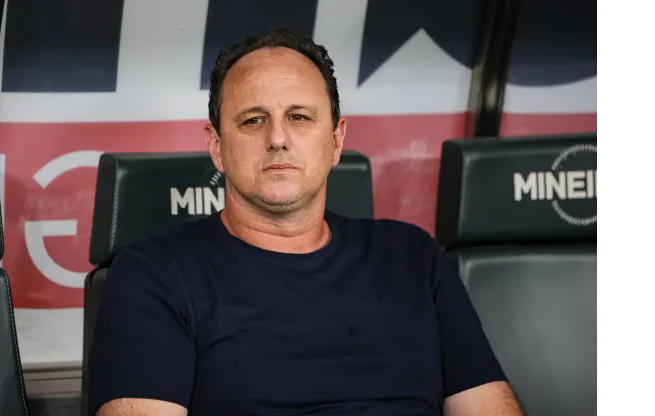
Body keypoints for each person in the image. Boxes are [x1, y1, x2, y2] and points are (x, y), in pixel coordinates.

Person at [89, 29, 523, 416]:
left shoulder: (412, 255)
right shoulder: (154, 274)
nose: (277, 138)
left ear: (336, 140)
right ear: (217, 146)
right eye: (253, 119)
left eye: (299, 117)